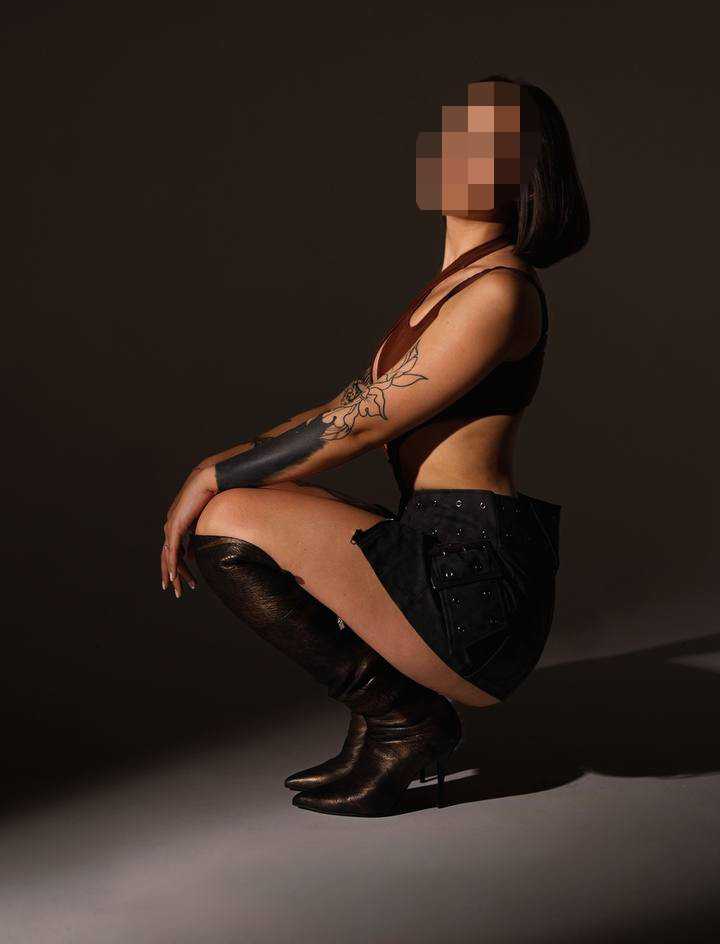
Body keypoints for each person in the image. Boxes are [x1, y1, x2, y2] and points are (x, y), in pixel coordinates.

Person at [160, 73, 590, 817]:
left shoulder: (500, 293)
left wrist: (211, 476)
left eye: (485, 139)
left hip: (477, 583)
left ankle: (403, 719)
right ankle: (387, 721)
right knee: (247, 498)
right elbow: (345, 407)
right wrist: (222, 464)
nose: (453, 147)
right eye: (453, 129)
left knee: (227, 515)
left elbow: (361, 426)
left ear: (527, 172)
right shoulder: (454, 287)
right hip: (436, 540)